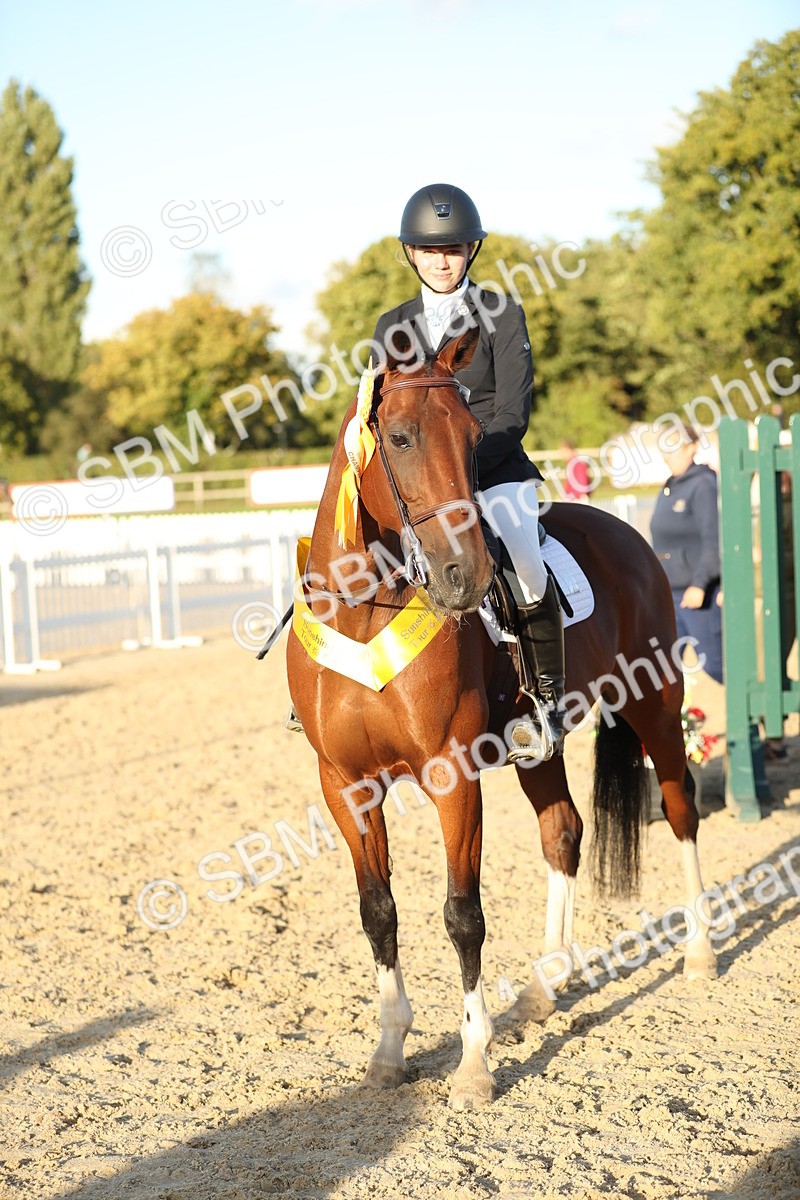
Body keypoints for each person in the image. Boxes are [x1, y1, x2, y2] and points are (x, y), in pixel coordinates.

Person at [370, 183, 566, 760]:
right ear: (411, 253)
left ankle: (545, 702)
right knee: (364, 554)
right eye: (430, 250)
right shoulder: (391, 325)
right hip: (420, 484)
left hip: (495, 468)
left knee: (526, 564)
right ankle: (335, 688)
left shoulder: (502, 313)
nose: (441, 260)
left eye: (452, 249)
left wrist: (460, 469)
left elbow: (513, 410)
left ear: (471, 251)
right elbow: (382, 413)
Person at [649, 424, 723, 684]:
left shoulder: (703, 485)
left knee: (716, 665)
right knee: (660, 670)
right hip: (668, 595)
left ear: (691, 447)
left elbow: (713, 540)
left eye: (673, 447)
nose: (667, 455)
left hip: (696, 595)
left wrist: (699, 584)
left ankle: (759, 714)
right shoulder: (669, 487)